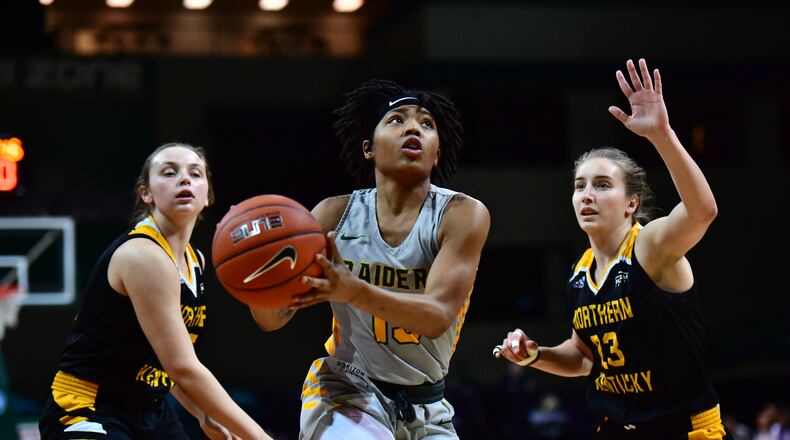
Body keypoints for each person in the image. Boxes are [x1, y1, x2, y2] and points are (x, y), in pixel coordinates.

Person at [494, 58, 727, 439]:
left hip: (680, 429)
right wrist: (534, 355)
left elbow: (702, 211)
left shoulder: (649, 247)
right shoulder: (580, 273)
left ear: (631, 203)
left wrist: (662, 135)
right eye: (580, 186)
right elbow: (583, 358)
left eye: (602, 185)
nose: (587, 195)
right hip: (615, 428)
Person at [251, 80, 490, 439]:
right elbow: (270, 320)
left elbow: (437, 317)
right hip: (345, 389)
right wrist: (260, 278)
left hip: (427, 406)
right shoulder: (333, 215)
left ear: (437, 154)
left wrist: (352, 290)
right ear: (368, 149)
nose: (413, 128)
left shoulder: (461, 214)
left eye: (426, 124)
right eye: (397, 120)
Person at [39, 143, 271, 439]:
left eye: (195, 174)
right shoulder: (144, 255)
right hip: (89, 407)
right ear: (146, 194)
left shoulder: (194, 260)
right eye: (169, 172)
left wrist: (203, 413)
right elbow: (183, 367)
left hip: (151, 411)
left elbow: (166, 360)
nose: (184, 179)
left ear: (207, 196)